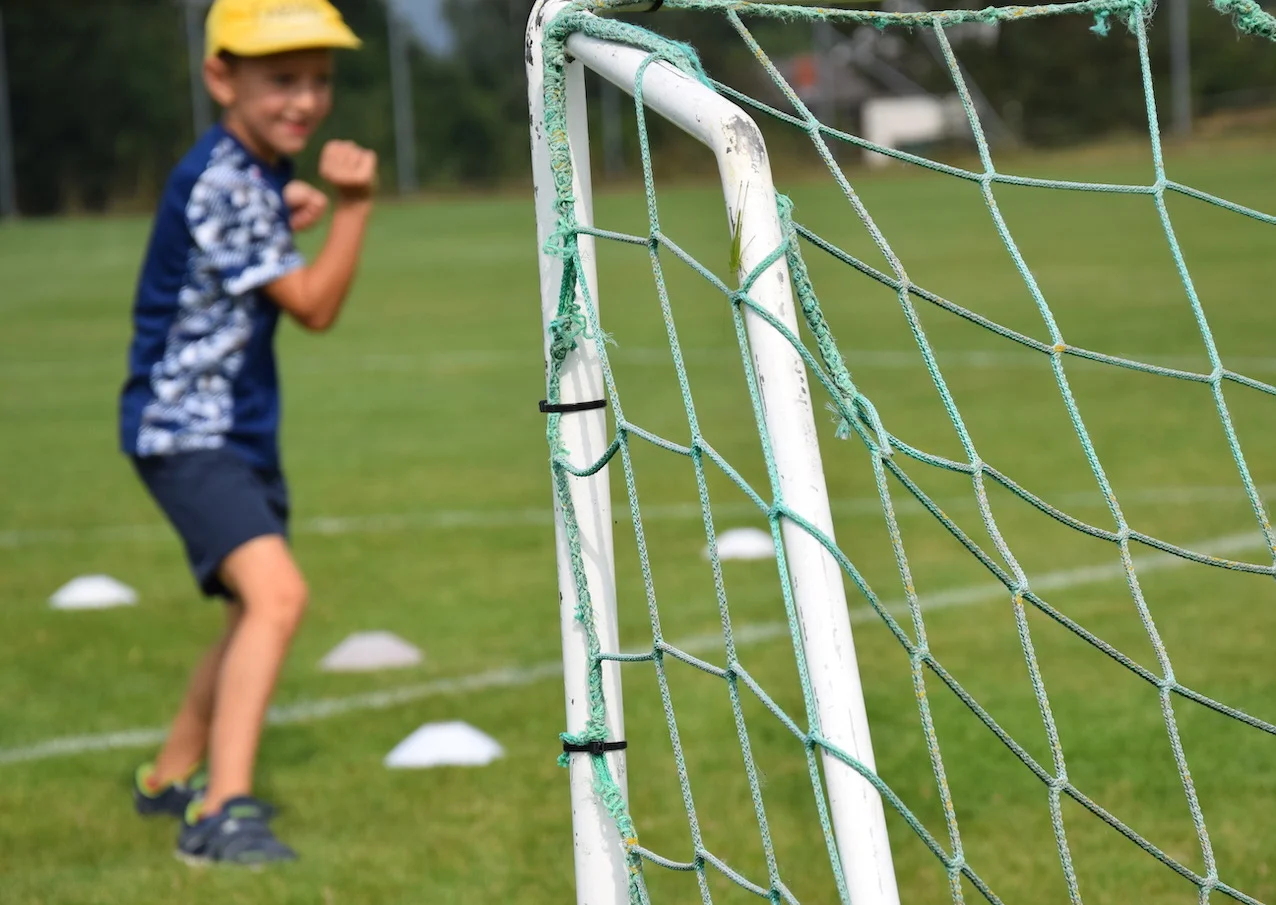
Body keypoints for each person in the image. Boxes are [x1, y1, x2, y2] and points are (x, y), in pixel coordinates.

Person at [118, 0, 377, 865]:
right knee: (278, 597)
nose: (303, 100)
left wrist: (290, 197)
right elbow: (313, 307)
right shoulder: (231, 181)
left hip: (230, 430)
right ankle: (220, 815)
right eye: (280, 80)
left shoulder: (249, 172)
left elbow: (254, 214)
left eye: (318, 80)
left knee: (244, 614)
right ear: (220, 76)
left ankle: (169, 781)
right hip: (188, 430)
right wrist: (351, 207)